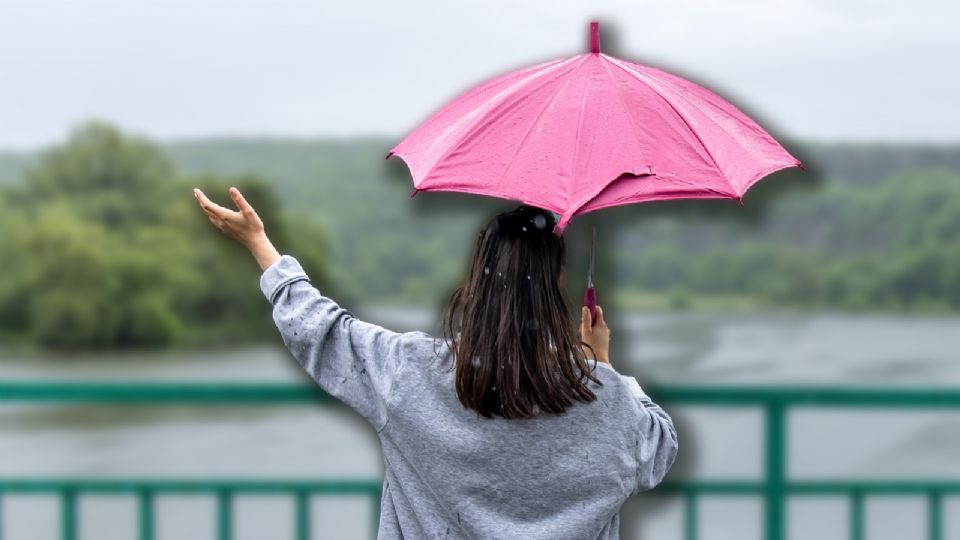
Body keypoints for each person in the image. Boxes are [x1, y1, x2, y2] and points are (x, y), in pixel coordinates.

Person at [193, 186, 678, 540]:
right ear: (555, 289)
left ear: (479, 283)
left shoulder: (409, 372)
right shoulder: (607, 400)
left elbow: (319, 329)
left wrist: (261, 246)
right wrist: (604, 367)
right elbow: (659, 452)